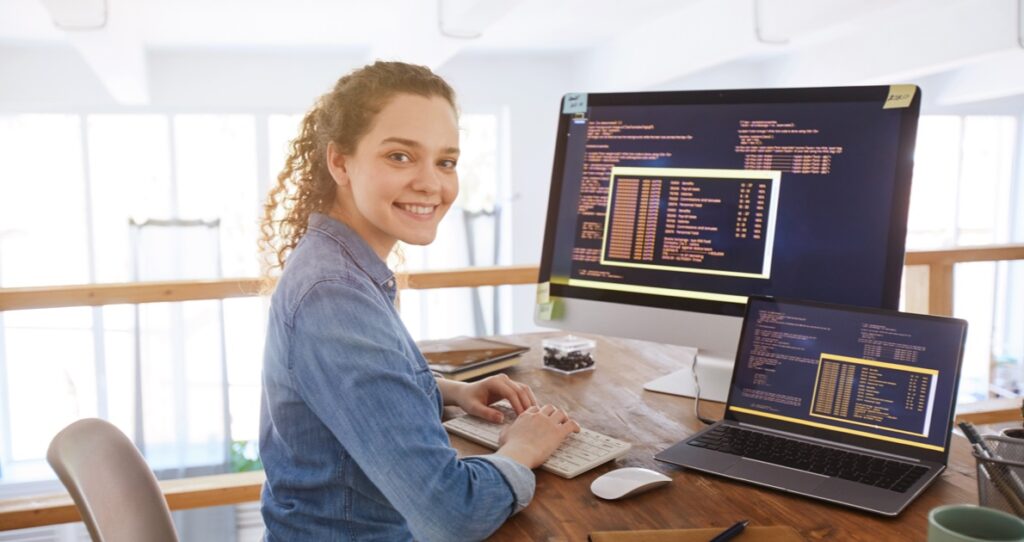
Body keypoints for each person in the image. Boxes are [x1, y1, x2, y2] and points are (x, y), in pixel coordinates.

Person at [257, 61, 581, 541]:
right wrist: (520, 450)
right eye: (401, 157)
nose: (432, 183)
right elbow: (455, 514)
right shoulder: (334, 295)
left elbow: (353, 392)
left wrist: (447, 392)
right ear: (340, 162)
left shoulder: (339, 265)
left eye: (445, 162)